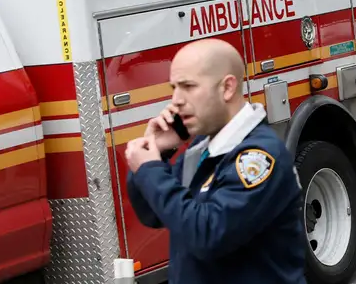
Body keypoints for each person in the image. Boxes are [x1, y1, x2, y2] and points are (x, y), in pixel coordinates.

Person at [124, 38, 306, 284]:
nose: (176, 99)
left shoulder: (258, 157)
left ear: (227, 88)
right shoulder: (202, 149)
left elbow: (208, 235)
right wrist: (157, 151)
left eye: (188, 86)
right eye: (174, 88)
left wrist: (150, 170)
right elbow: (154, 214)